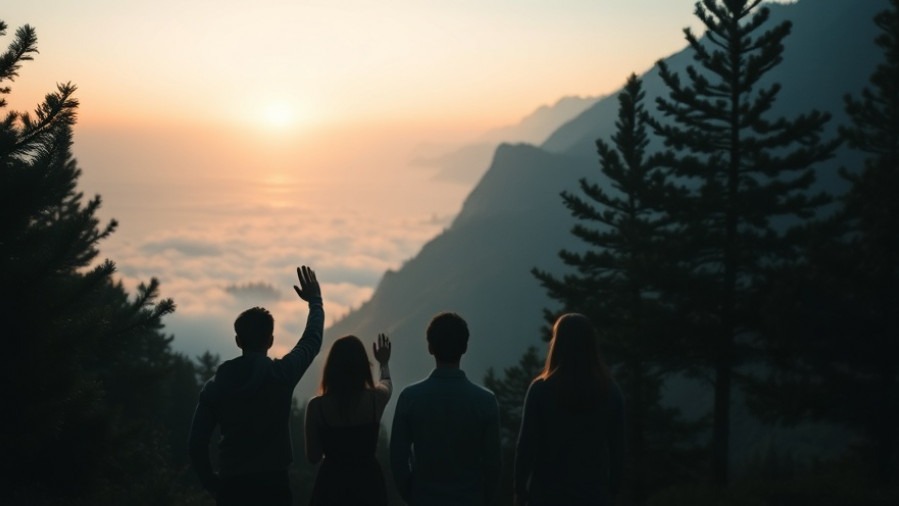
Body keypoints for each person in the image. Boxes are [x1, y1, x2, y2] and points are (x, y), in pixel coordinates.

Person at [188, 265, 324, 506]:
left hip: (232, 489)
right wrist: (315, 301)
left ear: (238, 340)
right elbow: (311, 341)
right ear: (271, 340)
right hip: (274, 488)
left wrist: (211, 483)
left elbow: (197, 442)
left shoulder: (216, 386)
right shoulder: (282, 375)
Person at [513, 313, 625, 506]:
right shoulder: (610, 391)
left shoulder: (541, 389)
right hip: (593, 495)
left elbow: (526, 446)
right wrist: (613, 489)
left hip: (546, 495)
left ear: (557, 344)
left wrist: (520, 490)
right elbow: (618, 448)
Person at [390, 312, 501, 506]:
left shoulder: (410, 398)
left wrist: (412, 494)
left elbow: (398, 458)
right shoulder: (486, 401)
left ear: (430, 347)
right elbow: (493, 464)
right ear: (465, 347)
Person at [305, 333, 393, 505]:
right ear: (363, 366)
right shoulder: (375, 399)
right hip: (369, 485)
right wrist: (383, 362)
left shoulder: (317, 406)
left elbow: (313, 457)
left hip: (330, 487)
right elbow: (387, 383)